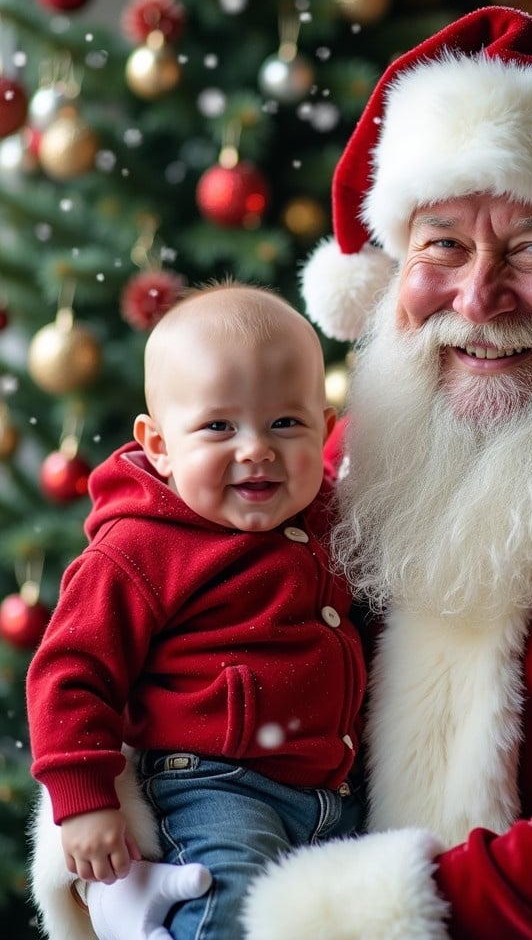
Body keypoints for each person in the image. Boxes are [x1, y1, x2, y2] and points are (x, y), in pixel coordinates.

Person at [30, 6, 532, 940]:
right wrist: (120, 843)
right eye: (442, 244)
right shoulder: (346, 459)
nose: (478, 293)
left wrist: (282, 923)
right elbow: (159, 624)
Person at [26, 282, 366, 940]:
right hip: (216, 786)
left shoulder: (329, 521)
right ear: (158, 444)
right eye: (218, 426)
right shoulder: (139, 549)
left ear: (324, 431)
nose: (256, 449)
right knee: (225, 910)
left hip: (337, 794)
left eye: (285, 423)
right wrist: (84, 801)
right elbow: (70, 671)